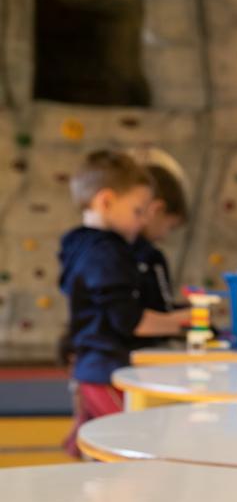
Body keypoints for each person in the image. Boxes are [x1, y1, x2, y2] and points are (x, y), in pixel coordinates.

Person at [59, 150, 191, 456]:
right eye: (137, 211)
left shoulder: (81, 244)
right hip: (105, 370)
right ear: (105, 202)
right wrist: (186, 319)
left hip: (94, 367)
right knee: (134, 448)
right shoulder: (107, 253)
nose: (143, 221)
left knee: (112, 450)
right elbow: (130, 320)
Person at [131, 163, 188, 345]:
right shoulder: (151, 256)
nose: (165, 236)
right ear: (157, 210)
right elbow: (162, 309)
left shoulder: (113, 251)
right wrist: (192, 316)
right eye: (169, 227)